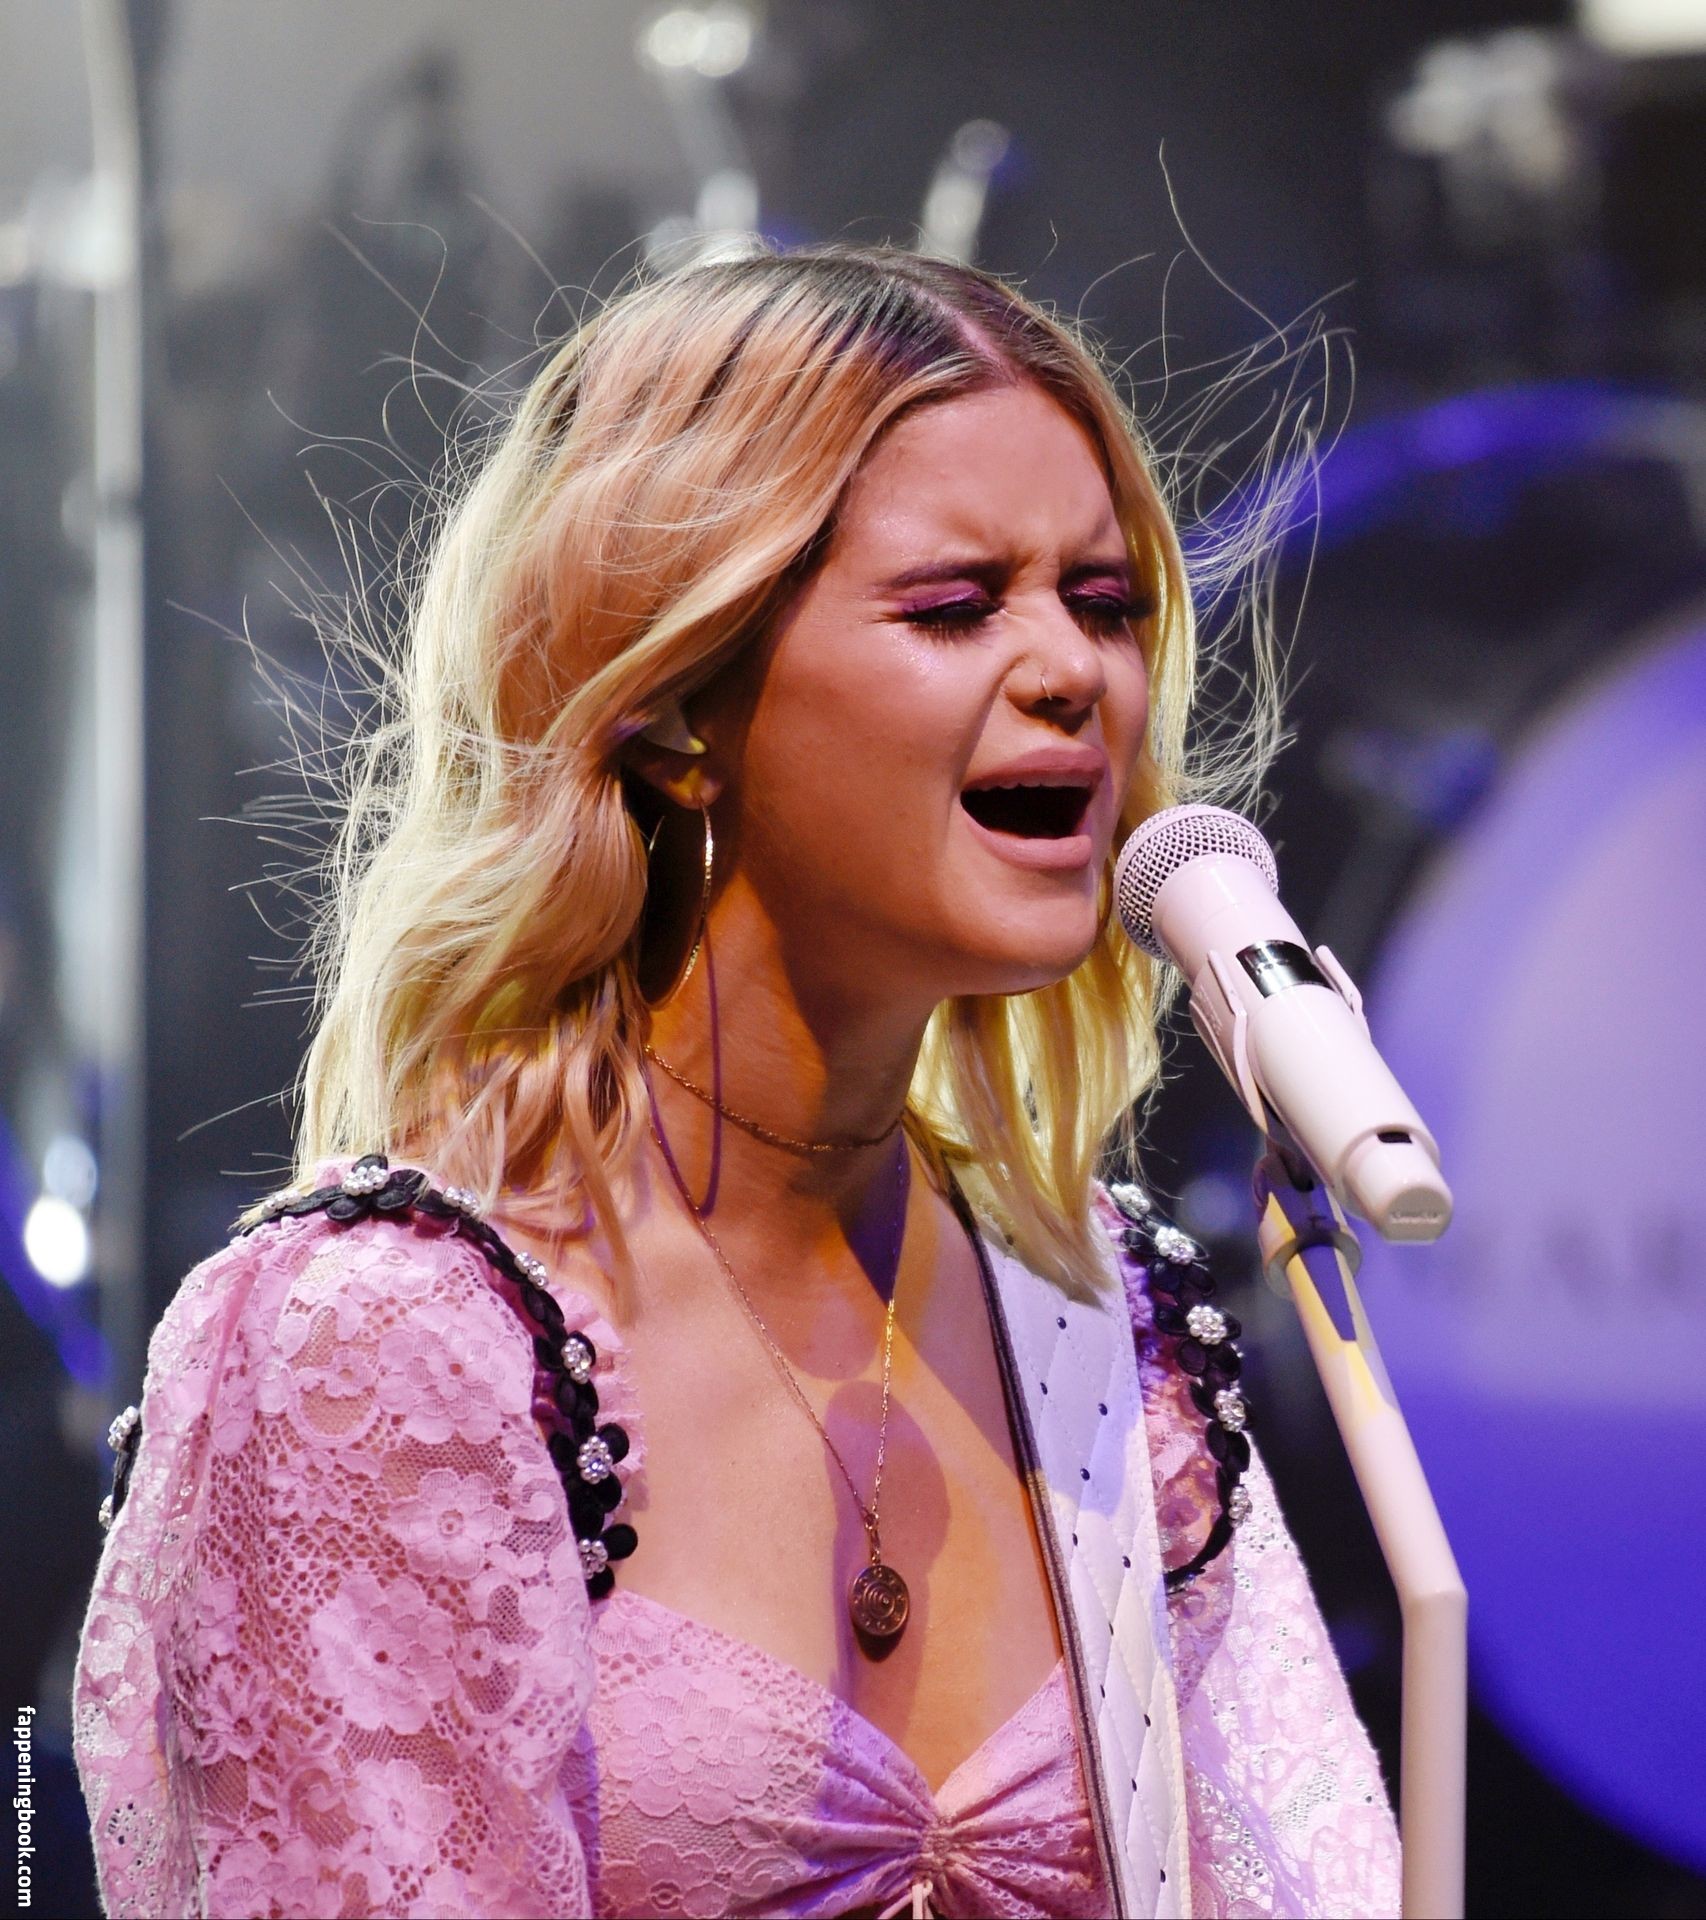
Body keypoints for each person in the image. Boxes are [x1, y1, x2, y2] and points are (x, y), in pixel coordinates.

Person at [72, 245, 1400, 1919]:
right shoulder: (383, 1350)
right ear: (669, 704)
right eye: (954, 605)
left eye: (1105, 600)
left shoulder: (1099, 1320)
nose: (1073, 671)